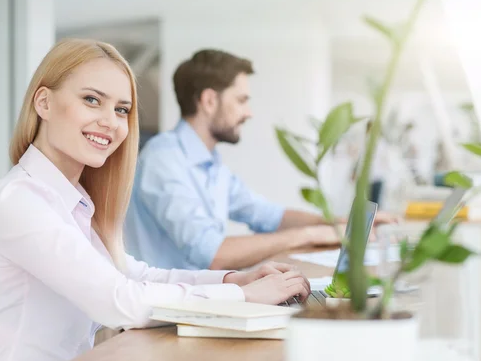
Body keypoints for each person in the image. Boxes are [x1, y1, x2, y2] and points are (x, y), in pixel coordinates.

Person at [0, 39, 310, 361]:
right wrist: (244, 298)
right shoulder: (19, 201)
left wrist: (234, 280)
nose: (111, 121)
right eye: (92, 100)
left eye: (121, 109)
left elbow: (135, 275)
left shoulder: (72, 201)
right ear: (43, 102)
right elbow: (119, 302)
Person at [125, 49, 397, 271]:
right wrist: (310, 235)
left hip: (194, 306)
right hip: (160, 323)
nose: (249, 112)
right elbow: (211, 254)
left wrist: (341, 223)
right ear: (209, 101)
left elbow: (269, 216)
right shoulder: (163, 159)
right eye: (242, 100)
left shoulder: (211, 164)